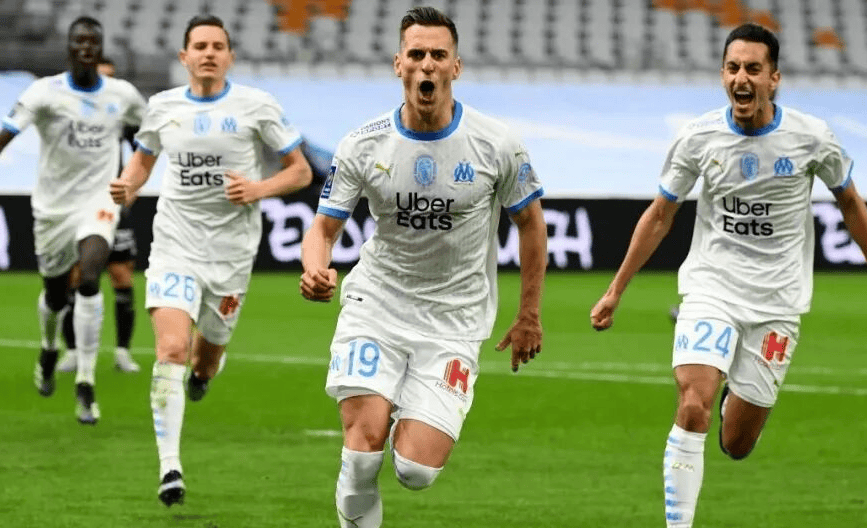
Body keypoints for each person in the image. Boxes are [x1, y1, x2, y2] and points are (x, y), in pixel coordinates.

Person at [589, 24, 867, 528]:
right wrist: (615, 291)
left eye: (753, 69)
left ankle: (734, 398)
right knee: (692, 404)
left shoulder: (811, 137)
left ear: (774, 78)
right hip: (711, 288)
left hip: (778, 302)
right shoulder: (698, 137)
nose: (742, 78)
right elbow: (660, 215)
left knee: (737, 443)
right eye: (733, 68)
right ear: (723, 74)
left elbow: (850, 203)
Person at [300, 7, 547, 527]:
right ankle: (366, 443)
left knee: (416, 470)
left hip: (454, 321)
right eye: (416, 54)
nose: (427, 64)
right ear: (399, 64)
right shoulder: (363, 143)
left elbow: (530, 224)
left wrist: (529, 314)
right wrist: (315, 268)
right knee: (362, 452)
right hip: (377, 306)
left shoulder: (496, 143)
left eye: (438, 54)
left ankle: (402, 412)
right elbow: (323, 229)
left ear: (456, 66)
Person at [109, 15, 312, 507]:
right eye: (199, 46)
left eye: (217, 46)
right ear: (184, 57)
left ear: (230, 57)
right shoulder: (162, 107)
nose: (208, 53)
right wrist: (127, 185)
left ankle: (203, 375)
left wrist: (258, 188)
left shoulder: (256, 106)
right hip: (175, 245)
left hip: (231, 255)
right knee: (171, 349)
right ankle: (170, 467)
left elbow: (301, 171)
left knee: (204, 358)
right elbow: (142, 161)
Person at [0, 16, 147, 424]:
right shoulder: (44, 92)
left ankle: (85, 381)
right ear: (69, 48)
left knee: (90, 277)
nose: (85, 47)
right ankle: (49, 348)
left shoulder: (122, 94)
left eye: (92, 42)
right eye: (79, 41)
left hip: (99, 202)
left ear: (99, 50)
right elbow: (7, 133)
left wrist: (133, 180)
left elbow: (147, 140)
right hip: (53, 209)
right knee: (54, 295)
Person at [57, 56, 141, 374]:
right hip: (76, 205)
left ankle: (122, 352)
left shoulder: (121, 114)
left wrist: (131, 186)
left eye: (111, 77)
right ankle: (73, 351)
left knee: (121, 275)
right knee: (75, 276)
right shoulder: (68, 113)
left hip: (112, 204)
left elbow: (143, 152)